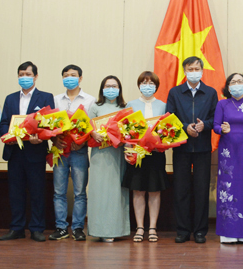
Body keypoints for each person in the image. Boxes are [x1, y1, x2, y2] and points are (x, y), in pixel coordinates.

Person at [0, 61, 54, 242]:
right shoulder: (10, 98)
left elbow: (49, 123)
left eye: (28, 74)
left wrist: (41, 137)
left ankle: (37, 229)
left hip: (35, 150)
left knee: (37, 191)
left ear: (36, 77)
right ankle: (17, 228)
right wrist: (9, 135)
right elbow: (5, 122)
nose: (24, 78)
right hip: (14, 151)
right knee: (16, 191)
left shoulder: (46, 97)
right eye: (21, 74)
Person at [167, 56, 218, 244]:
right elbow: (169, 117)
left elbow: (216, 119)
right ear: (184, 71)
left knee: (201, 189)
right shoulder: (175, 92)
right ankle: (182, 230)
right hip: (181, 148)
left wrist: (204, 125)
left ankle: (200, 231)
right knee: (181, 189)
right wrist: (185, 127)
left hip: (204, 148)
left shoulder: (211, 92)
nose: (194, 71)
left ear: (202, 71)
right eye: (190, 68)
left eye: (197, 68)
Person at [212, 73, 243, 244]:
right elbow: (216, 126)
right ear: (227, 86)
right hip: (228, 151)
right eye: (233, 82)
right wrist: (222, 130)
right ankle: (227, 233)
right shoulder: (222, 104)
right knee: (228, 188)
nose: (236, 84)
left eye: (240, 81)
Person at [49, 65, 95, 242]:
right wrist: (54, 140)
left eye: (73, 75)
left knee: (80, 192)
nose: (69, 78)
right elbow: (49, 125)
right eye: (66, 75)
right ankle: (61, 227)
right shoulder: (55, 100)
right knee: (58, 192)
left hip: (79, 152)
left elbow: (92, 126)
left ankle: (77, 228)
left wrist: (81, 141)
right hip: (59, 151)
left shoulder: (90, 100)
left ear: (80, 78)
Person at [122, 72, 167, 243]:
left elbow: (168, 129)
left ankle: (153, 228)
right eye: (144, 82)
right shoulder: (130, 104)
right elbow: (125, 130)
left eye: (151, 83)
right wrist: (128, 151)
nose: (147, 86)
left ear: (156, 85)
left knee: (155, 191)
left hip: (155, 154)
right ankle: (140, 227)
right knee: (138, 190)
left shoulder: (163, 105)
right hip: (136, 153)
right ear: (139, 85)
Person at [87, 75, 130, 242]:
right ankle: (99, 229)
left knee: (116, 192)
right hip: (100, 154)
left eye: (114, 86)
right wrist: (93, 133)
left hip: (117, 154)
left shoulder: (125, 108)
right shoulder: (96, 107)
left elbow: (130, 131)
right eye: (107, 86)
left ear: (119, 89)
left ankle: (115, 230)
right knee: (99, 191)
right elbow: (87, 127)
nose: (111, 89)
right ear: (102, 89)